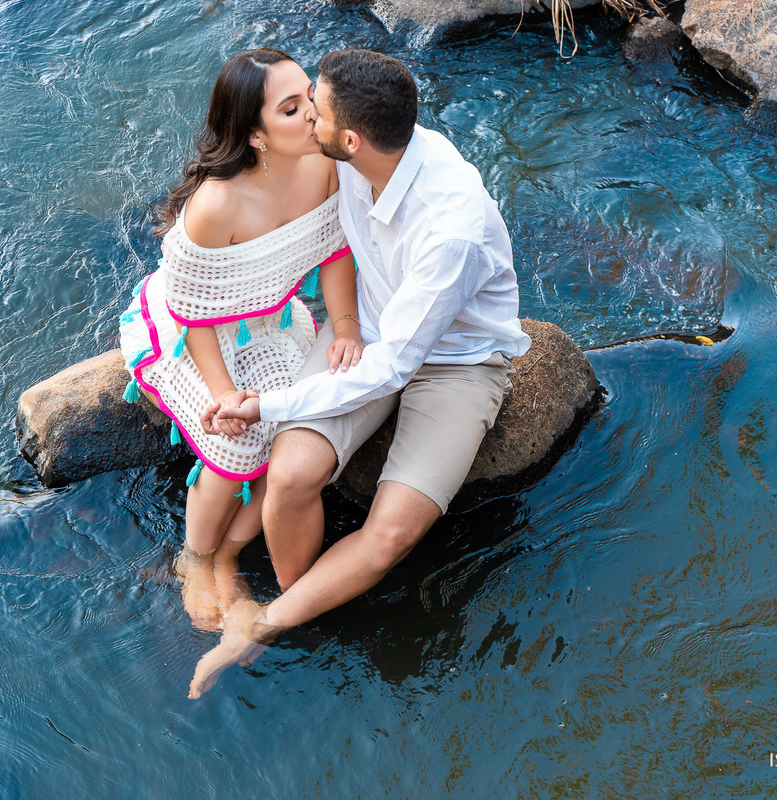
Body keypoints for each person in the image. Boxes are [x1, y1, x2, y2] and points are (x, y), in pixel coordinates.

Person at [190, 48, 531, 698]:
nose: (306, 114)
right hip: (368, 334)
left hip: (457, 364)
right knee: (290, 475)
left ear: (349, 138)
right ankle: (308, 596)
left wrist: (266, 405)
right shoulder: (349, 155)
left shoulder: (450, 226)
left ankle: (264, 625)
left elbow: (395, 368)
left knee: (394, 530)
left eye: (313, 107)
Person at [117, 49, 363, 633]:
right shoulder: (216, 205)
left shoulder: (324, 166)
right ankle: (195, 558)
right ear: (255, 135)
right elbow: (193, 314)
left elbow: (333, 250)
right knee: (234, 447)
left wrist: (347, 324)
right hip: (187, 332)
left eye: (310, 94)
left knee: (290, 433)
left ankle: (227, 554)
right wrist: (224, 395)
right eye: (291, 107)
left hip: (272, 320)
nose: (313, 113)